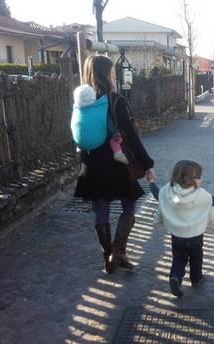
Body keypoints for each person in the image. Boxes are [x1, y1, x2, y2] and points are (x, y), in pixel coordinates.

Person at [73, 54, 156, 273]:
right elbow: (129, 134)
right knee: (129, 202)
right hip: (116, 164)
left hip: (90, 164)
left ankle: (107, 258)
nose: (114, 76)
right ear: (105, 74)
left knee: (101, 208)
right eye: (112, 71)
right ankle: (119, 250)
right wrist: (147, 164)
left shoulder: (82, 101)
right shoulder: (114, 100)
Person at [149, 160, 214, 297]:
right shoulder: (201, 194)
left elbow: (157, 194)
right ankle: (196, 278)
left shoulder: (167, 191)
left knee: (179, 258)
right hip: (195, 236)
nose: (201, 178)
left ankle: (175, 277)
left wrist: (152, 182)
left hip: (176, 236)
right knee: (196, 256)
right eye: (198, 176)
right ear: (189, 179)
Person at [73, 84, 128, 164]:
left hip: (82, 143)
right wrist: (117, 135)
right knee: (112, 137)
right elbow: (110, 126)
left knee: (82, 128)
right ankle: (118, 153)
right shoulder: (100, 109)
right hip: (99, 141)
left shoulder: (77, 111)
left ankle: (80, 145)